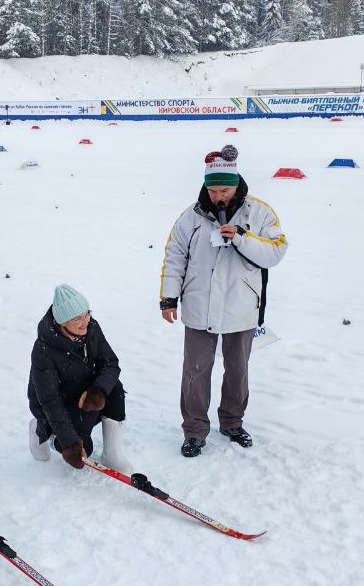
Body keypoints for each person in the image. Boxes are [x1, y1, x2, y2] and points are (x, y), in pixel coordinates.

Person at [159, 146, 288, 458]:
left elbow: (276, 251)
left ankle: (232, 422)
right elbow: (175, 256)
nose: (219, 196)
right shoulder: (190, 217)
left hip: (241, 306)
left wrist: (241, 237)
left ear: (236, 185)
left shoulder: (260, 213)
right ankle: (194, 430)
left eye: (225, 191)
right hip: (199, 306)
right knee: (195, 372)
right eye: (213, 190)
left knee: (237, 370)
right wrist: (168, 297)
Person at [28, 285, 134, 474]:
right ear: (62, 322)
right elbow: (50, 400)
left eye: (87, 314)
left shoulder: (92, 328)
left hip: (84, 392)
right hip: (57, 404)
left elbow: (110, 363)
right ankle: (41, 430)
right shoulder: (43, 350)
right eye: (77, 318)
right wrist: (69, 443)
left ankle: (112, 453)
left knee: (114, 388)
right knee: (82, 449)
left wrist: (98, 390)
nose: (85, 321)